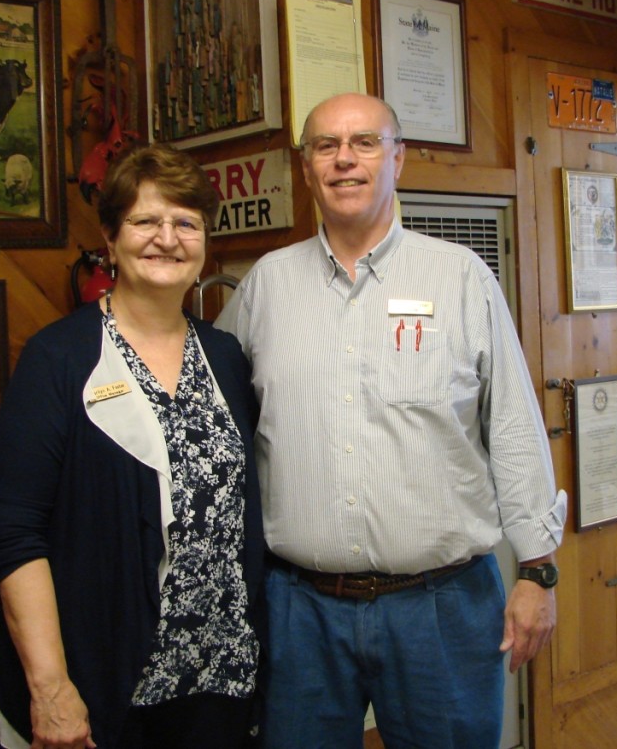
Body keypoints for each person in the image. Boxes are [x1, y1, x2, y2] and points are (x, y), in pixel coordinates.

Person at [216, 93, 567, 749]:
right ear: (306, 167)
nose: (344, 159)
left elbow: (514, 427)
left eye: (365, 143)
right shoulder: (265, 288)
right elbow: (222, 429)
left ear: (397, 159)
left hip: (442, 607)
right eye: (326, 145)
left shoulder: (461, 279)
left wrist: (537, 570)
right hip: (301, 610)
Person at [0, 144, 265, 748]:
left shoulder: (227, 358)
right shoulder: (58, 359)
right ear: (110, 238)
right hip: (103, 682)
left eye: (186, 223)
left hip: (219, 676)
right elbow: (15, 532)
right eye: (144, 221)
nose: (167, 238)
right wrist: (51, 689)